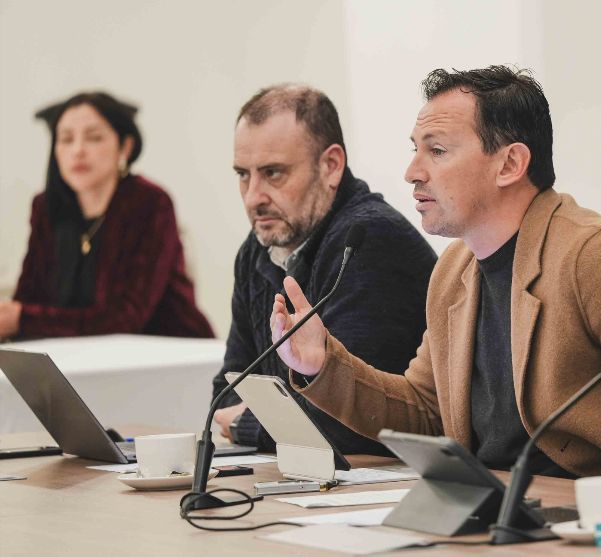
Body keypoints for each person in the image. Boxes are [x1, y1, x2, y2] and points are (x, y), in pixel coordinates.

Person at [271, 66, 601, 478]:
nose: (412, 172)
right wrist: (323, 364)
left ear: (509, 164)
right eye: (416, 150)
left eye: (437, 151)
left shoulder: (593, 255)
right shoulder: (453, 270)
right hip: (493, 498)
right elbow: (426, 411)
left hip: (587, 504)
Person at [210, 85, 437, 456]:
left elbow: (352, 423)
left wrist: (247, 425)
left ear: (331, 166)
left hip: (383, 476)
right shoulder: (257, 250)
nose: (253, 197)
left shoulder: (367, 240)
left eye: (273, 173)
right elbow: (227, 394)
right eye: (243, 175)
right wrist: (253, 418)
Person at [0, 92, 213, 340]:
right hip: (76, 353)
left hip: (170, 350)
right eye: (66, 139)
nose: (78, 150)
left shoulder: (149, 202)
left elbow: (126, 317)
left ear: (125, 147)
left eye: (94, 138)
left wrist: (22, 320)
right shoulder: (46, 206)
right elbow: (27, 298)